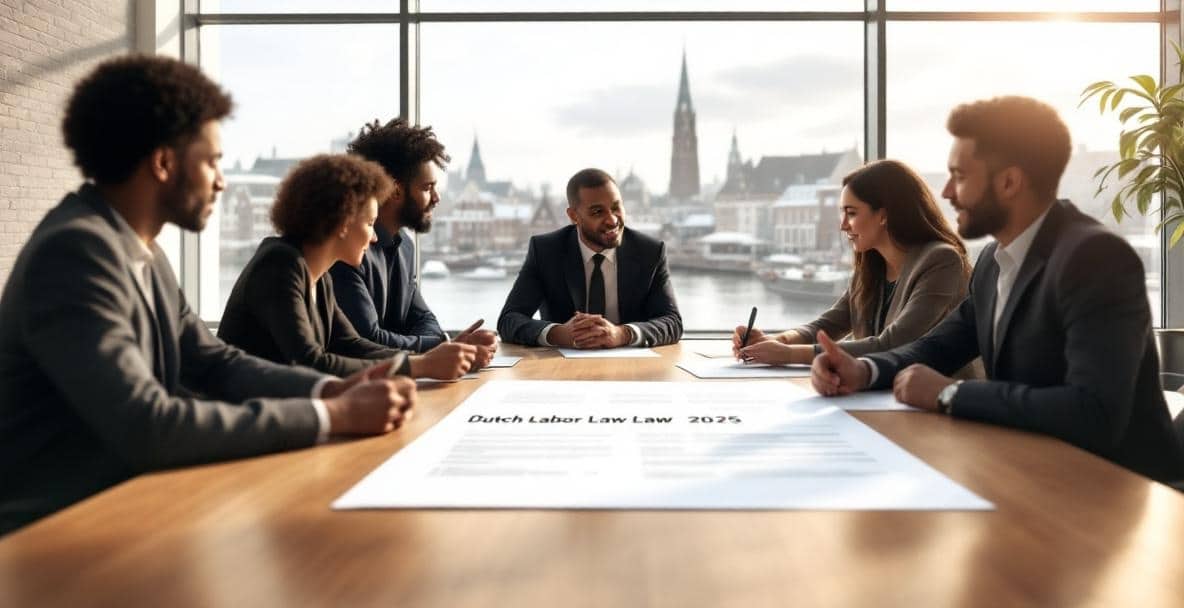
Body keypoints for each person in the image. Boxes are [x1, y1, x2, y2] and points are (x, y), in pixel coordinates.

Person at [0, 55, 416, 535]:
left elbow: (214, 360)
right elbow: (147, 425)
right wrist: (332, 414)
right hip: (49, 538)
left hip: (122, 512)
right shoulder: (76, 252)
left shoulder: (141, 250)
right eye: (213, 161)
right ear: (163, 163)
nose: (221, 180)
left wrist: (328, 389)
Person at [811, 96, 1184, 482]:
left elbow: (1094, 412)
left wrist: (950, 394)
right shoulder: (992, 262)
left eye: (959, 176)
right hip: (1030, 471)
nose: (946, 194)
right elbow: (938, 346)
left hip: (1121, 488)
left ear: (1008, 182)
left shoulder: (1096, 258)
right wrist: (863, 370)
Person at [218, 154, 477, 380]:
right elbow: (311, 363)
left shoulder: (318, 275)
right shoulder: (280, 266)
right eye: (370, 224)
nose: (375, 237)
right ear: (343, 222)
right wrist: (420, 366)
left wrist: (433, 356)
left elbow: (351, 345)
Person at [732, 159, 977, 378]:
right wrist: (773, 341)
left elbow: (894, 344)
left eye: (851, 213)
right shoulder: (873, 263)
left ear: (883, 215)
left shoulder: (941, 261)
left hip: (936, 405)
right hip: (879, 397)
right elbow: (828, 325)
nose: (842, 225)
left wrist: (787, 354)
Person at [330, 118, 496, 366]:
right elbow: (367, 339)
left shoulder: (404, 246)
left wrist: (443, 346)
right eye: (428, 187)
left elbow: (423, 318)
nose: (437, 198)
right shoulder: (349, 250)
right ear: (396, 191)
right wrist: (443, 347)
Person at [497, 168, 682, 348]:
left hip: (632, 368)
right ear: (574, 216)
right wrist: (559, 334)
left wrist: (622, 334)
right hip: (561, 369)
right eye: (597, 212)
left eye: (616, 207)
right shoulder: (546, 251)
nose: (612, 220)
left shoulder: (649, 252)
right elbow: (509, 320)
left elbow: (672, 322)